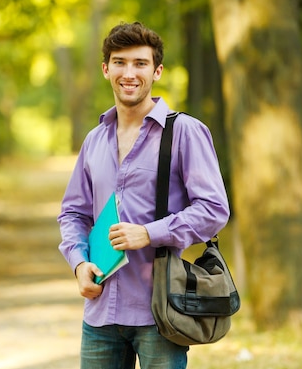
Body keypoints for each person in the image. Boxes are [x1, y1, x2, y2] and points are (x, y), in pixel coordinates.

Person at [57, 21, 230, 369]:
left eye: (140, 63)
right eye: (120, 62)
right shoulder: (95, 140)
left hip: (161, 311)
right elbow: (73, 213)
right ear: (106, 69)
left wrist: (149, 233)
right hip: (101, 313)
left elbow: (214, 209)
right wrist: (78, 263)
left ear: (157, 71)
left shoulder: (185, 133)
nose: (129, 73)